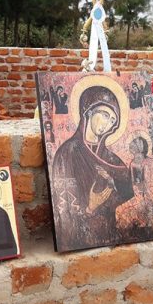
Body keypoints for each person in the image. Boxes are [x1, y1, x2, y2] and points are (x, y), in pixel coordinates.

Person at [51, 85, 134, 251]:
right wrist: (90, 207)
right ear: (88, 111)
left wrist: (110, 186)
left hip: (108, 235)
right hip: (78, 239)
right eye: (104, 115)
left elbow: (127, 191)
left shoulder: (111, 159)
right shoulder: (67, 153)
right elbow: (64, 207)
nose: (107, 124)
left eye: (112, 120)